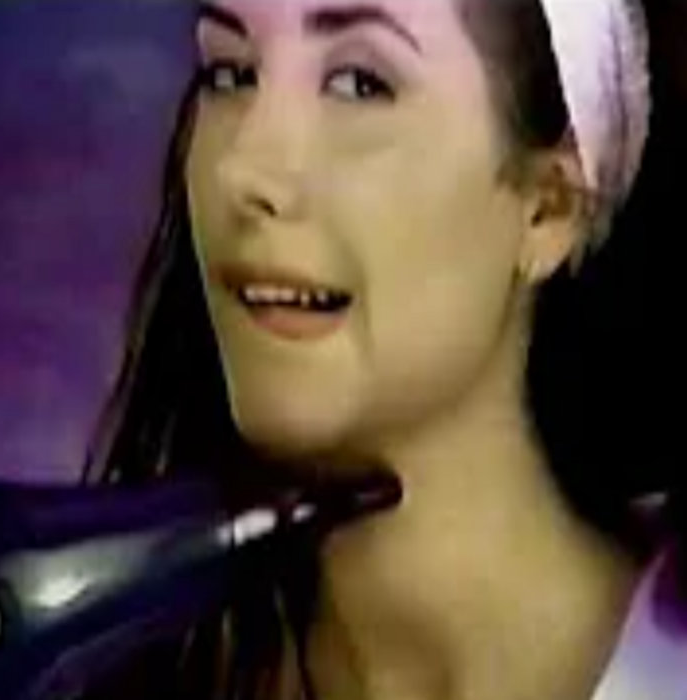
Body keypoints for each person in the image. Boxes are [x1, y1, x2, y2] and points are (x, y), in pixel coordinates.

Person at [80, 1, 678, 698]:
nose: (242, 170)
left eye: (361, 83)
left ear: (548, 207)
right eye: (230, 74)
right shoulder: (121, 666)